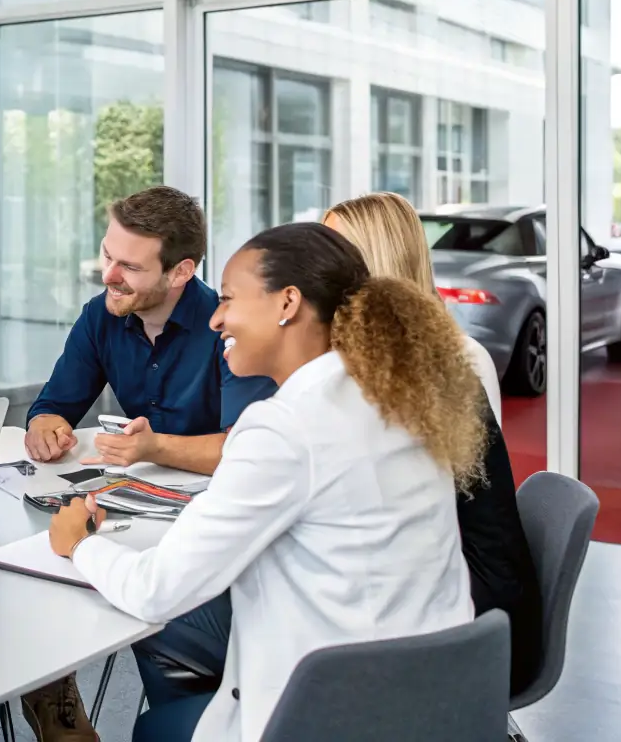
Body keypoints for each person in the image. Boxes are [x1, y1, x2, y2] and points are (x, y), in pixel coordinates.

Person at [48, 222, 486, 742]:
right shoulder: (397, 394)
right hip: (440, 698)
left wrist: (78, 545)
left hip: (338, 714)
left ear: (287, 304)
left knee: (156, 728)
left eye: (229, 298)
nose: (215, 318)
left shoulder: (285, 426)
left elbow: (155, 591)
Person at [19, 186, 275, 742]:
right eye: (108, 255)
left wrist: (156, 446)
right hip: (139, 511)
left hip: (213, 529)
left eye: (129, 265)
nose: (108, 273)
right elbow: (52, 405)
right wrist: (45, 429)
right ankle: (56, 693)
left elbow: (247, 446)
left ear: (181, 270)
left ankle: (187, 715)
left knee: (142, 597)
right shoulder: (101, 317)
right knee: (46, 556)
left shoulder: (227, 328)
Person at [324, 191, 542, 693]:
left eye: (332, 251)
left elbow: (405, 504)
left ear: (370, 264)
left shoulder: (453, 360)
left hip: (464, 601)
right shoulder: (375, 356)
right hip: (427, 578)